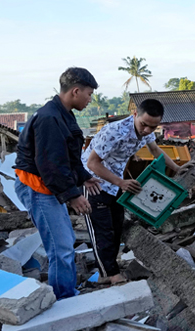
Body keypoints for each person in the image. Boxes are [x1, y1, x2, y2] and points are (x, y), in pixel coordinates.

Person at [13, 67, 102, 299]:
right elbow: (51, 166)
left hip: (48, 185)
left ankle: (66, 291)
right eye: (89, 94)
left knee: (66, 241)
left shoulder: (63, 114)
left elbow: (68, 157)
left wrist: (83, 176)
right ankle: (64, 299)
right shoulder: (49, 119)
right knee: (60, 247)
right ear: (75, 91)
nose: (90, 99)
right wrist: (73, 195)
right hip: (38, 186)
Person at [82, 98, 180, 284]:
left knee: (117, 227)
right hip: (93, 181)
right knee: (102, 230)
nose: (147, 131)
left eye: (153, 127)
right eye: (144, 125)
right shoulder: (114, 132)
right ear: (135, 114)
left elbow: (155, 151)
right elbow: (92, 163)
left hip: (116, 182)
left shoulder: (147, 131)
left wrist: (177, 168)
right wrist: (121, 182)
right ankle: (111, 274)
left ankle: (106, 274)